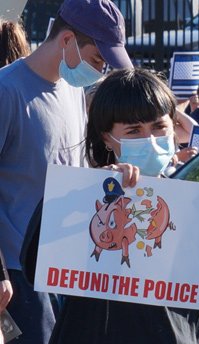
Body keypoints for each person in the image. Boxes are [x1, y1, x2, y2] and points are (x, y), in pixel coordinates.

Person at [48, 68, 199, 343]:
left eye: (158, 126)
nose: (151, 140)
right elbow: (42, 259)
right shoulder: (82, 196)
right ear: (107, 137)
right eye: (133, 131)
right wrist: (99, 189)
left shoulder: (195, 200)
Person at [0, 0, 133, 342]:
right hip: (19, 274)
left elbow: (70, 171)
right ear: (67, 40)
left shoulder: (73, 92)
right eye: (97, 60)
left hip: (67, 267)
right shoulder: (6, 91)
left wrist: (110, 177)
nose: (100, 71)